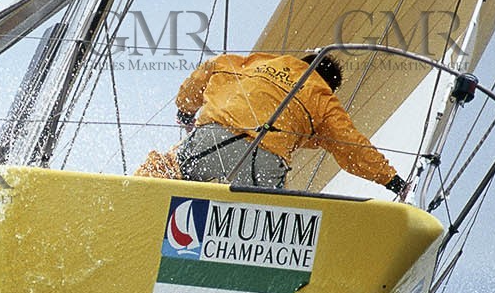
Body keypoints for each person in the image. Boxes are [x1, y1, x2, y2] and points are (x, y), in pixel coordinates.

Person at [173, 51, 407, 194]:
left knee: (171, 170)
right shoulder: (323, 98)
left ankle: (146, 194)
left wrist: (185, 110)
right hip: (264, 159)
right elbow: (351, 146)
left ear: (300, 62)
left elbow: (209, 69)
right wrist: (392, 180)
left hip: (213, 138)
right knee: (265, 218)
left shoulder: (256, 63)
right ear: (331, 86)